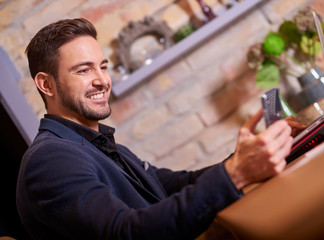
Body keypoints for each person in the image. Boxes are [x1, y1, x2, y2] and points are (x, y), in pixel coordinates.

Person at [16, 18, 304, 240]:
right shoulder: (51, 161)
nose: (102, 80)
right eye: (84, 70)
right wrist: (237, 172)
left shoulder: (94, 143)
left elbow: (177, 184)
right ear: (46, 84)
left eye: (103, 67)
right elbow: (127, 234)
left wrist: (250, 157)